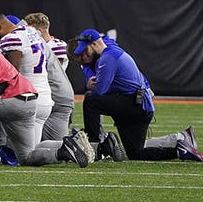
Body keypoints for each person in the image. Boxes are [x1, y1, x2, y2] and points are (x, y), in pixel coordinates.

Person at [72, 30, 202, 162]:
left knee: (91, 100)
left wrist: (87, 85)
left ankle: (94, 147)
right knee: (136, 153)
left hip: (133, 106)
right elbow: (105, 40)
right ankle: (180, 151)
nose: (84, 55)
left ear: (94, 44)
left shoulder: (108, 57)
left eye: (85, 50)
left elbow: (99, 91)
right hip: (140, 106)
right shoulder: (110, 49)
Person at [0, 12, 53, 144]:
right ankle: (63, 148)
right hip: (44, 98)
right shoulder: (32, 32)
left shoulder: (11, 39)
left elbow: (12, 72)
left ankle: (63, 148)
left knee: (25, 153)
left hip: (28, 100)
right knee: (31, 152)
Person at [23, 13, 75, 142]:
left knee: (54, 142)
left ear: (38, 31)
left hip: (54, 94)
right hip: (46, 94)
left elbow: (53, 72)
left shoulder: (57, 46)